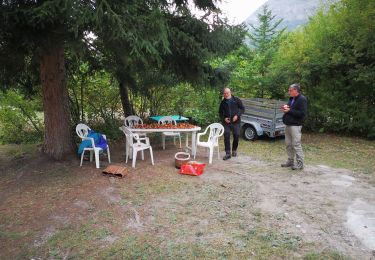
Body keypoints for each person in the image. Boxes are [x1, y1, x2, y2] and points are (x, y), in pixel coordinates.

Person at [281, 83, 308, 170]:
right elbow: (290, 109)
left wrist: (289, 110)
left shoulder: (302, 99)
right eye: (289, 90)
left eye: (290, 90)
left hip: (296, 126)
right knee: (288, 144)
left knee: (296, 144)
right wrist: (285, 108)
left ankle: (300, 163)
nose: (289, 92)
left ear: (296, 90)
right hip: (288, 124)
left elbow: (302, 114)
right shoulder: (292, 98)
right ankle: (290, 161)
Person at [219, 87, 245, 160]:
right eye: (224, 93)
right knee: (226, 135)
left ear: (230, 92)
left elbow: (242, 109)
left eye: (227, 93)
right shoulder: (223, 102)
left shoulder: (236, 100)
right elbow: (220, 112)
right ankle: (228, 153)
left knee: (236, 135)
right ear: (223, 94)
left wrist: (237, 115)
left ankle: (234, 150)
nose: (226, 95)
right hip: (226, 122)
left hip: (236, 121)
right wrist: (224, 118)